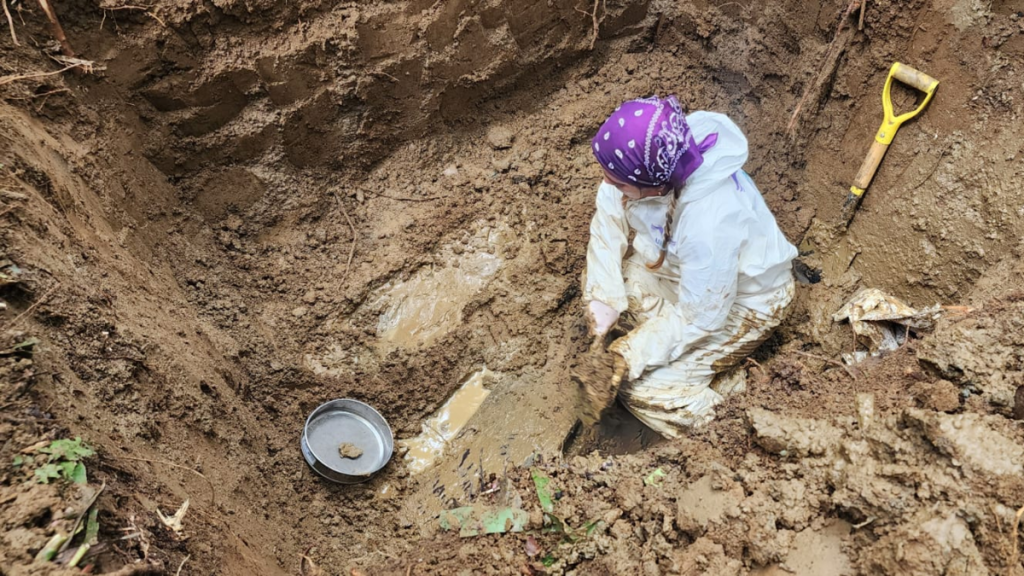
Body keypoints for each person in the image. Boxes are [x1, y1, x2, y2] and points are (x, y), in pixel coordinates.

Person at [582, 95, 797, 438]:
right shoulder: (658, 153)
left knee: (640, 390)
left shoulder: (709, 222)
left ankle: (731, 427)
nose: (607, 183)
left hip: (747, 303)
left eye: (619, 182)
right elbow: (608, 219)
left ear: (655, 185)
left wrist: (628, 355)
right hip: (688, 275)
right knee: (622, 284)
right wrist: (603, 302)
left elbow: (701, 316)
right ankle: (702, 364)